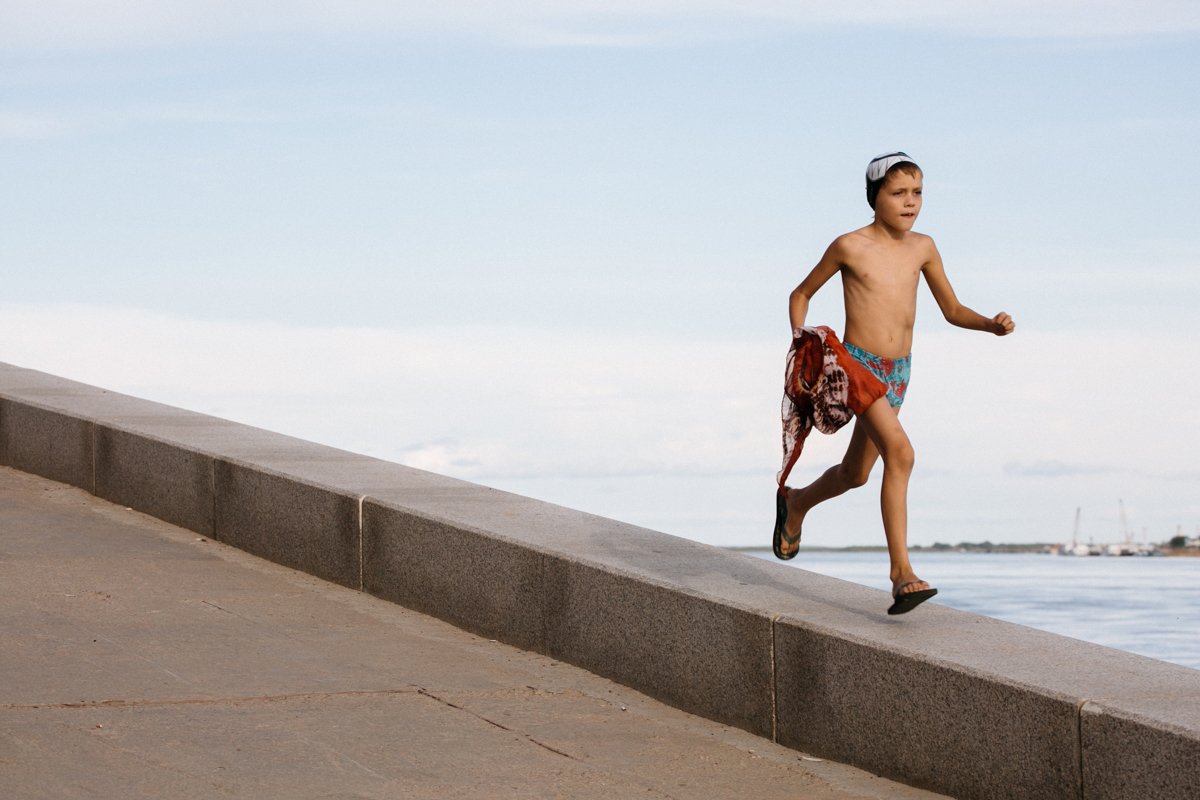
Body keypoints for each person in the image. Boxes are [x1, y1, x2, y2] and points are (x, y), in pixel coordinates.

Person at [773, 152, 1014, 615]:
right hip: (857, 366)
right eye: (899, 193)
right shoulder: (849, 245)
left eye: (917, 193)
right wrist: (801, 338)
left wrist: (990, 325)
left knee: (855, 475)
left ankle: (797, 503)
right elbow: (800, 292)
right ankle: (901, 574)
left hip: (899, 371)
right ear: (874, 197)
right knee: (901, 454)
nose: (910, 202)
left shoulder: (923, 247)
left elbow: (952, 310)